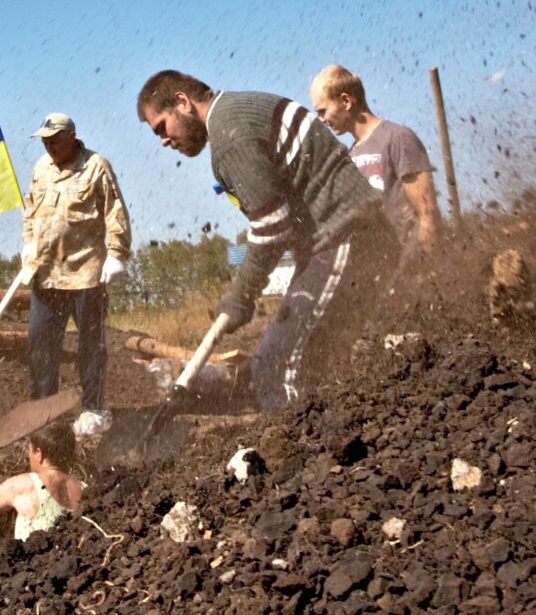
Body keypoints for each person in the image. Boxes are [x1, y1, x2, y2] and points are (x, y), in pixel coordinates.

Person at [136, 70, 399, 410]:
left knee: (276, 369)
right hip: (353, 237)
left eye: (161, 127)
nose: (164, 141)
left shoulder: (229, 135)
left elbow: (272, 226)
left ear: (183, 102)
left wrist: (241, 296)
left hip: (346, 237)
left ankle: (304, 455)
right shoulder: (238, 108)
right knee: (320, 364)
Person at [22, 113, 131, 436]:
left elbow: (115, 211)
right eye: (44, 140)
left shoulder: (96, 166)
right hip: (47, 274)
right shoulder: (40, 170)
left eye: (54, 138)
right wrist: (28, 244)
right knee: (41, 344)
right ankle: (44, 413)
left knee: (90, 346)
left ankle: (93, 409)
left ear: (71, 135)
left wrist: (117, 254)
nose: (49, 144)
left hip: (87, 274)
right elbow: (29, 212)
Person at [309, 64, 442, 258]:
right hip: (380, 266)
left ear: (346, 101)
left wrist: (426, 266)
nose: (320, 119)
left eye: (322, 111)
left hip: (411, 262)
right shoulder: (351, 155)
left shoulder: (398, 138)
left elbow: (428, 213)